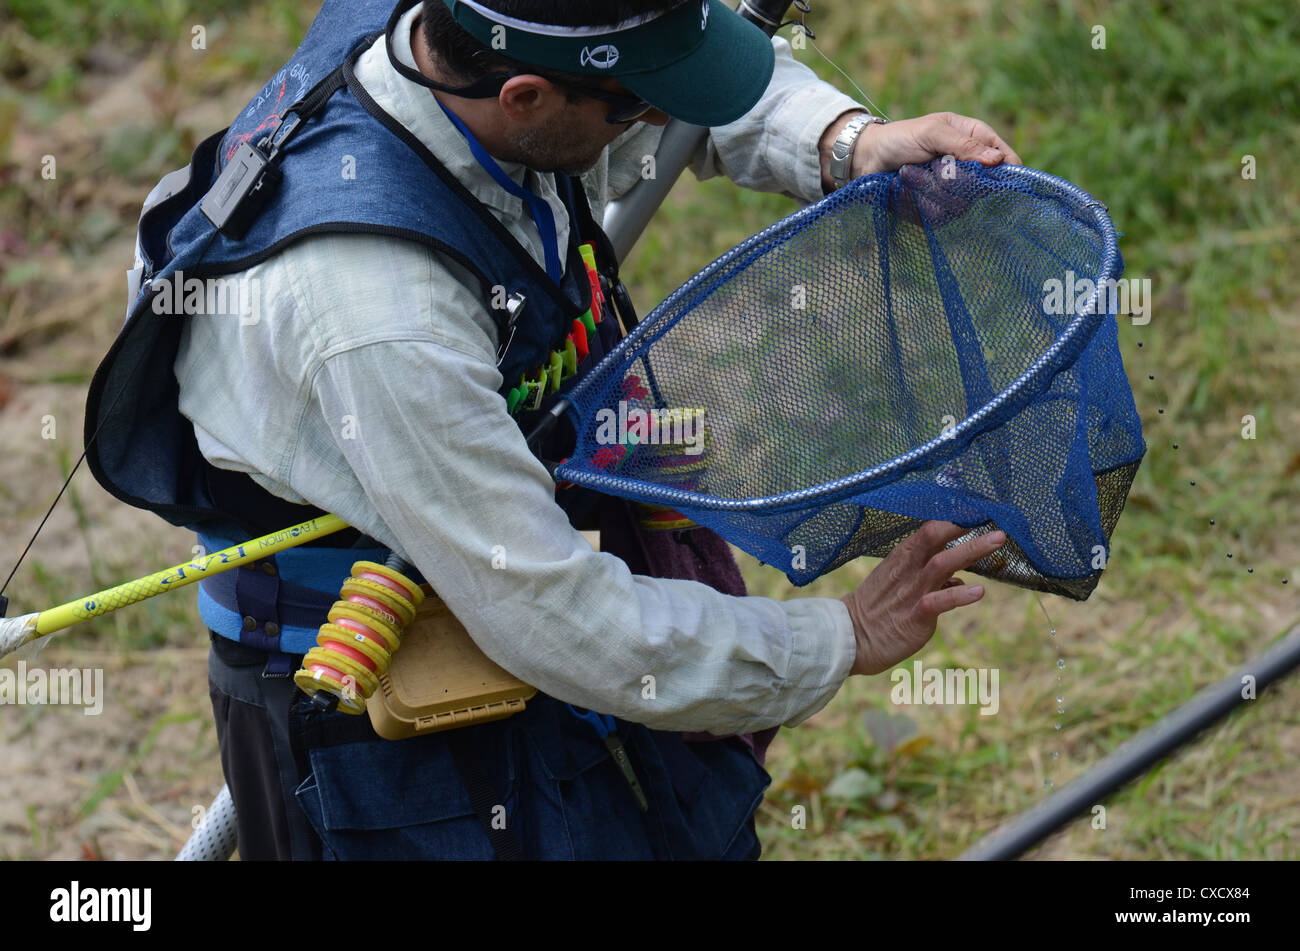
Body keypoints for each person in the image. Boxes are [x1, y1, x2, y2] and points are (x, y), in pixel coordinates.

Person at [97, 0, 1020, 860]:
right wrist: (842, 635)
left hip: (497, 608)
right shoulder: (384, 313)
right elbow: (564, 620)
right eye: (636, 109)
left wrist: (847, 142)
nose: (657, 126)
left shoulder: (445, 35)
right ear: (524, 96)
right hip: (386, 726)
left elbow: (665, 95)